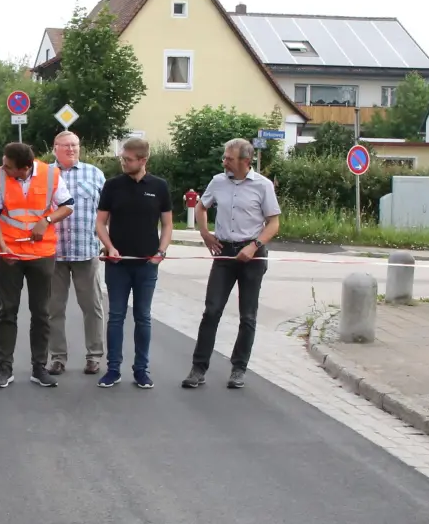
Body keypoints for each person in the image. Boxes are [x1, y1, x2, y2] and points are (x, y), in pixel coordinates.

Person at [182, 138, 281, 390]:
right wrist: (205, 233)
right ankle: (198, 368)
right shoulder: (218, 182)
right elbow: (202, 207)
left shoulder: (263, 186)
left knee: (247, 315)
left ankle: (239, 368)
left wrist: (254, 246)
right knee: (212, 310)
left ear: (245, 161)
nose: (224, 161)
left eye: (229, 158)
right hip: (225, 253)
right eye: (224, 157)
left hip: (252, 255)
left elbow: (274, 223)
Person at [0, 141, 73, 389]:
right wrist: (2, 246)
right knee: (8, 311)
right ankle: (5, 368)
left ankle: (39, 368)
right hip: (10, 253)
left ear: (24, 168)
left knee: (41, 312)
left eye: (8, 166)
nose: (3, 168)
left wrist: (46, 220)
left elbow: (68, 205)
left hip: (41, 254)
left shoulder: (49, 175)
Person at [95, 137, 174, 388]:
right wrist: (110, 247)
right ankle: (113, 369)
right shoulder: (112, 186)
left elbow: (168, 224)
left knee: (143, 316)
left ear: (143, 160)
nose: (123, 162)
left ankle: (141, 370)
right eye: (122, 158)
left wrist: (161, 252)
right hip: (117, 264)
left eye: (128, 159)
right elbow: (100, 222)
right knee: (116, 316)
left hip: (146, 264)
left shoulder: (159, 187)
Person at [47, 130, 107, 377]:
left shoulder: (94, 173)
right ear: (55, 148)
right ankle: (58, 357)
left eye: (75, 145)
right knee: (54, 309)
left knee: (92, 307)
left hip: (86, 250)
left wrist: (106, 239)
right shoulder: (45, 174)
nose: (71, 149)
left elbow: (106, 211)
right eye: (66, 145)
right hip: (54, 252)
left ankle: (94, 356)